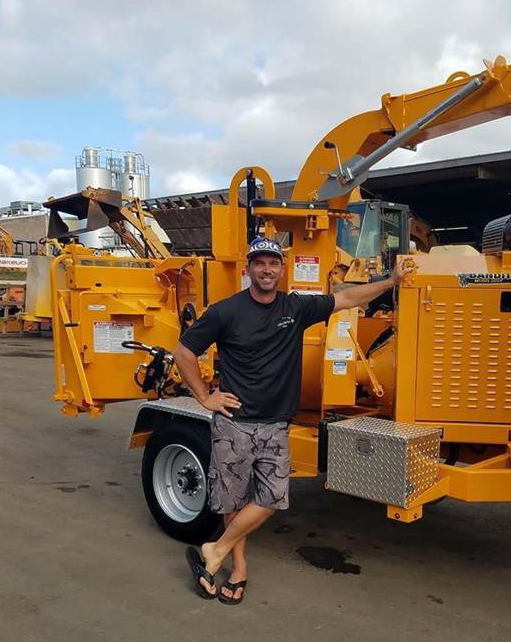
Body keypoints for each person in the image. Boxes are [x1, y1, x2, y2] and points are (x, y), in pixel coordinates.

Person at [173, 236, 408, 604]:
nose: (267, 269)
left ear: (282, 270)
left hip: (276, 425)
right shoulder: (226, 311)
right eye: (260, 262)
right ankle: (237, 569)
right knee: (233, 502)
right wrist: (204, 397)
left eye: (273, 263)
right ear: (249, 268)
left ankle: (214, 550)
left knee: (273, 497)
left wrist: (391, 282)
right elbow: (184, 350)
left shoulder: (295, 307)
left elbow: (348, 298)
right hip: (234, 423)